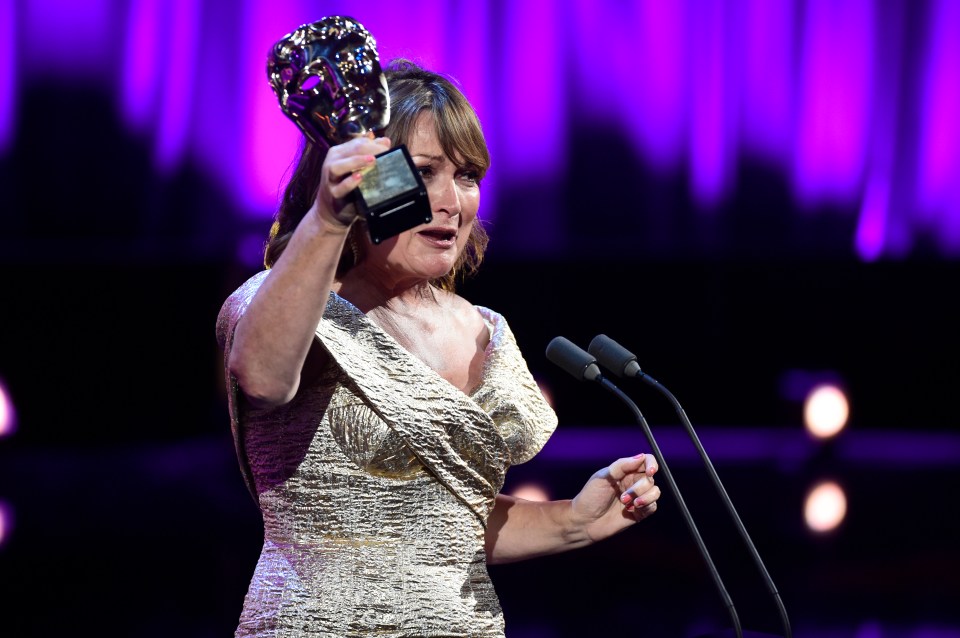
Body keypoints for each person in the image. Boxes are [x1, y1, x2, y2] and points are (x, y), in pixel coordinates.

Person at [216, 59, 661, 638]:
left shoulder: (483, 332)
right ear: (364, 180)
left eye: (468, 175)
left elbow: (446, 527)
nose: (452, 201)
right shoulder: (277, 308)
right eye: (424, 172)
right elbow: (265, 378)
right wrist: (328, 219)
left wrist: (571, 521)